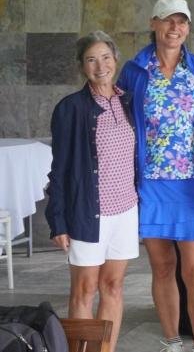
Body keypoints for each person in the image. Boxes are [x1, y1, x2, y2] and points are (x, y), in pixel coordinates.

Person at [117, 0, 194, 352]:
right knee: (162, 268)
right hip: (152, 183)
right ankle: (173, 342)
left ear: (188, 27)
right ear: (153, 24)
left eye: (181, 21)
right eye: (167, 20)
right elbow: (121, 121)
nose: (175, 28)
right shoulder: (134, 70)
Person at [46, 31, 138, 350]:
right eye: (91, 60)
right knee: (84, 290)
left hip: (126, 211)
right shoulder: (70, 108)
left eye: (106, 58)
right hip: (87, 213)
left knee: (113, 286)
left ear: (115, 60)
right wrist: (58, 220)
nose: (101, 66)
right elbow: (59, 169)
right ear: (82, 66)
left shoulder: (128, 101)